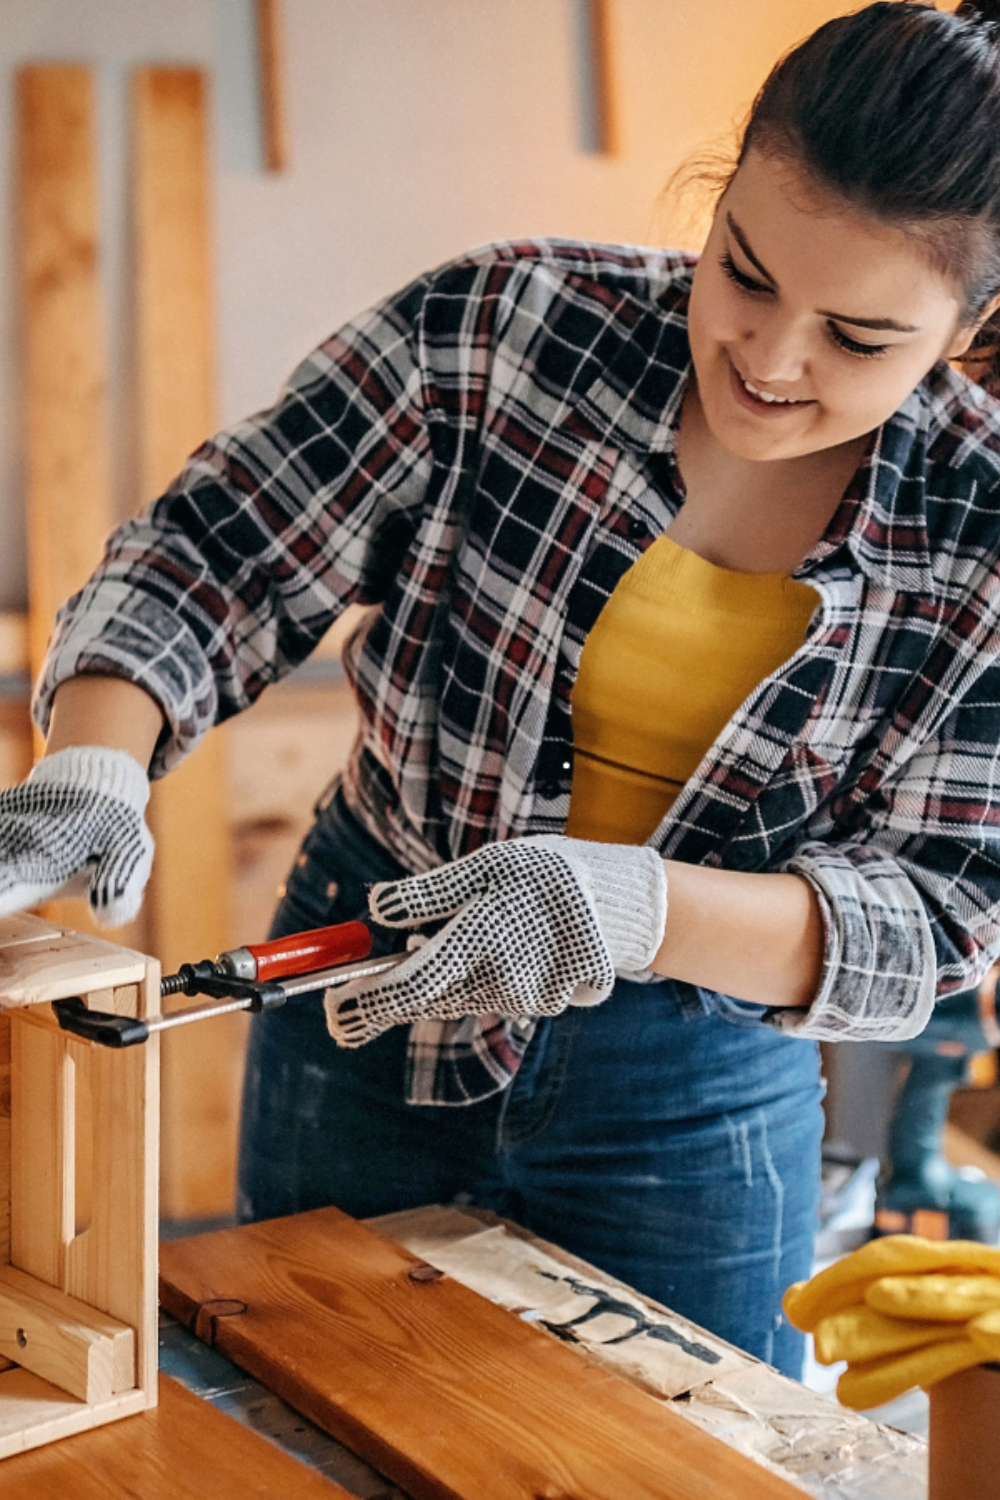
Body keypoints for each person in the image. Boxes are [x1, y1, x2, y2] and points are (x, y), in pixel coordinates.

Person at [5, 0, 1000, 1378]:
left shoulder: (982, 522)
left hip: (694, 1079)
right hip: (370, 988)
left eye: (860, 337)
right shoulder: (509, 325)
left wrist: (633, 906)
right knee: (315, 1422)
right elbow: (219, 551)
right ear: (716, 207)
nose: (773, 362)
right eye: (747, 275)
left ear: (972, 321)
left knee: (686, 1467)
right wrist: (96, 758)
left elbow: (948, 913)